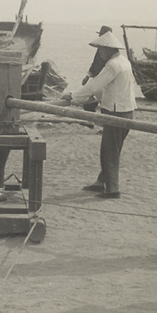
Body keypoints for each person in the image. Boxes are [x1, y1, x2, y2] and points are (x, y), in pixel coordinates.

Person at [61, 31, 137, 198]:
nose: (100, 53)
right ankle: (101, 182)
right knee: (110, 149)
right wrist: (93, 98)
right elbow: (111, 87)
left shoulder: (112, 65)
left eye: (101, 50)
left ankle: (112, 189)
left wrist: (74, 97)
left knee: (110, 150)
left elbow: (94, 84)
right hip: (126, 110)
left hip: (116, 112)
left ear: (109, 49)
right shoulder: (123, 62)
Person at [81, 25, 113, 113]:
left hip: (104, 81)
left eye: (101, 35)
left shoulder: (110, 50)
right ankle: (89, 122)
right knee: (89, 102)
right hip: (97, 79)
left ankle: (93, 121)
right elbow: (94, 62)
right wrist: (87, 76)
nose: (99, 37)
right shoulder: (100, 48)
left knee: (104, 104)